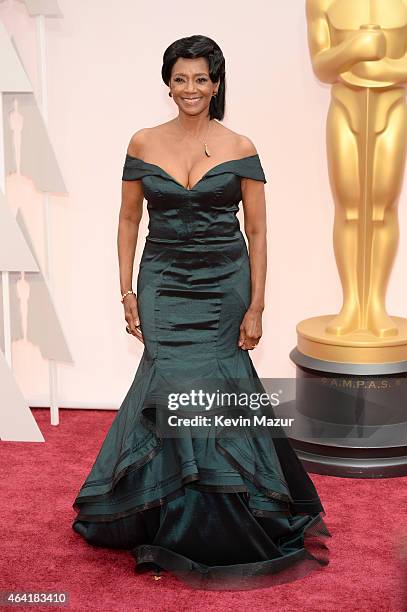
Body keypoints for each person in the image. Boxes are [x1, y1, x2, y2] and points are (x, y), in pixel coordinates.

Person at [72, 34, 331, 591]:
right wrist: (127, 291)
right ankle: (169, 512)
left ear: (216, 85)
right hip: (163, 281)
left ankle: (227, 513)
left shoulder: (240, 145)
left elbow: (258, 232)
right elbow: (126, 221)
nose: (190, 89)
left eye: (201, 79)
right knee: (167, 386)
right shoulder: (143, 142)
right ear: (168, 83)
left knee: (216, 385)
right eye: (180, 78)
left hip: (223, 284)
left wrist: (257, 304)